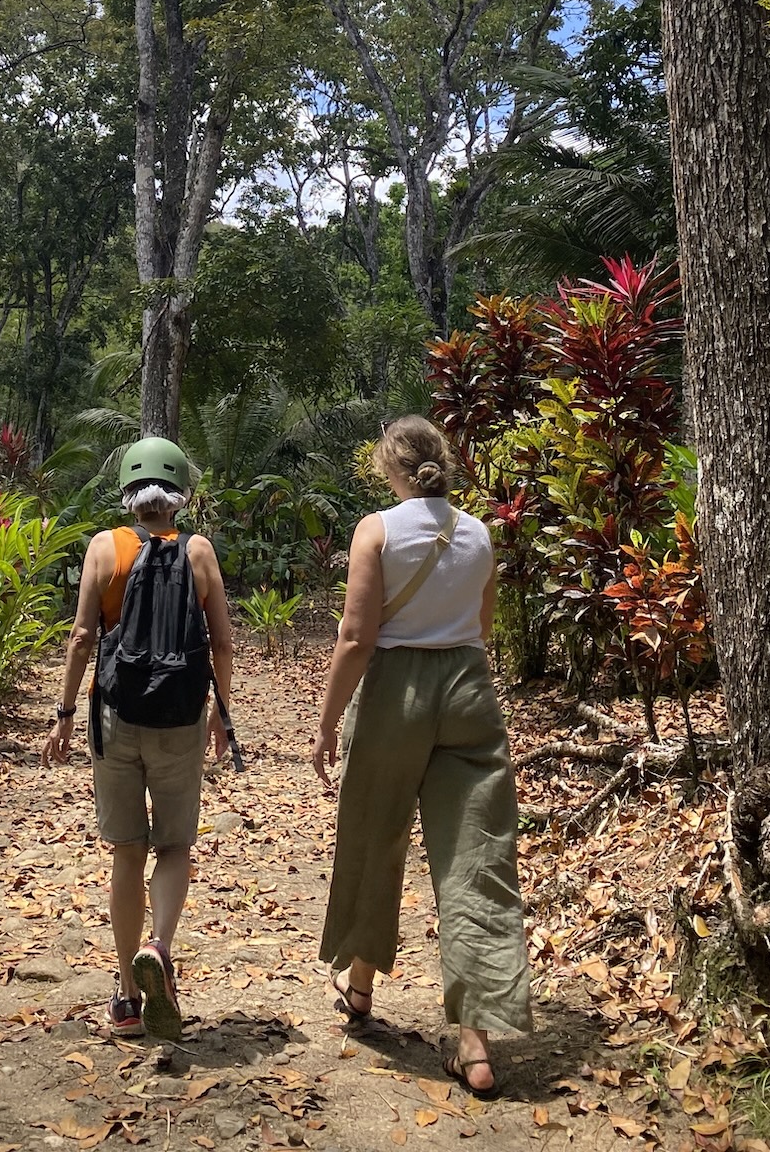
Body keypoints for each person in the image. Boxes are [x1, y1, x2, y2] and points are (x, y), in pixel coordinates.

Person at [310, 414, 531, 1097]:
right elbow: (483, 625)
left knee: (374, 836)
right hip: (469, 687)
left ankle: (360, 986)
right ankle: (476, 1042)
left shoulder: (377, 530)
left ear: (390, 469)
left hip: (396, 691)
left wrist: (324, 724)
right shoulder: (478, 533)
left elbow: (354, 636)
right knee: (477, 859)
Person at [43, 436, 234, 1042]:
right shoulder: (199, 552)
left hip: (116, 718)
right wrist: (220, 718)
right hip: (180, 720)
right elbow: (224, 642)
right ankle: (159, 946)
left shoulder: (106, 548)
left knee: (127, 851)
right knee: (175, 846)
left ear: (127, 492)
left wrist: (65, 712)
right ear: (182, 493)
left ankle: (127, 997)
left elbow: (80, 638)